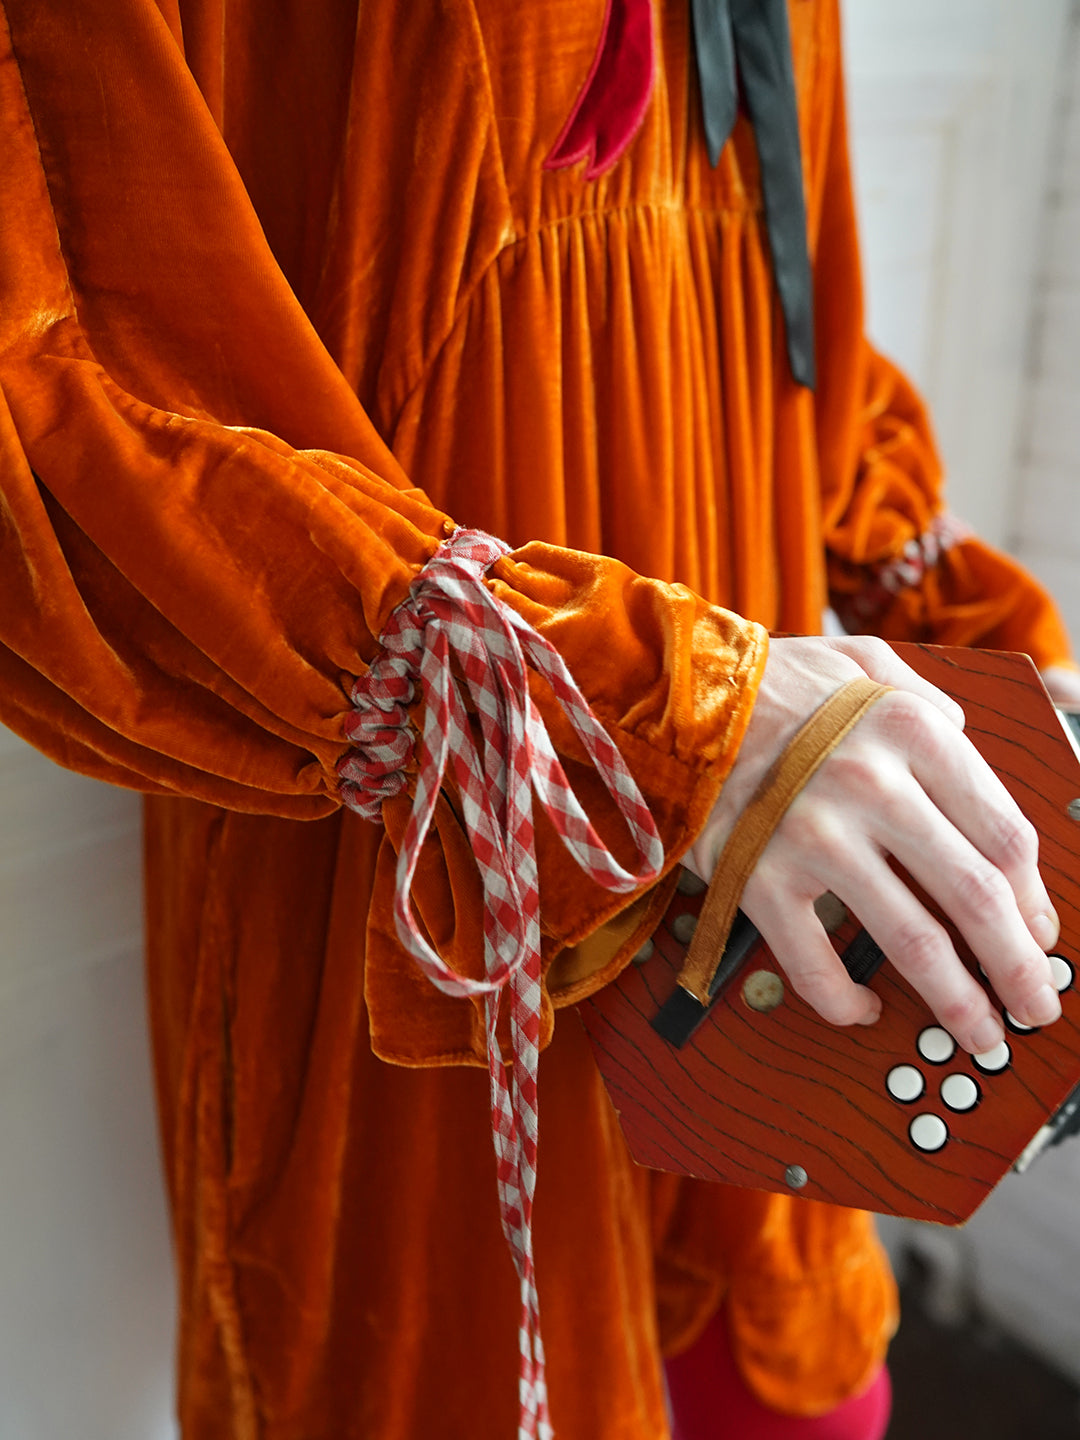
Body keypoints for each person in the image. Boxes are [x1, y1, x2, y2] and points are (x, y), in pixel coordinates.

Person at [0, 1, 1075, 1437]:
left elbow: (795, 339)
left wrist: (988, 664)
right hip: (429, 905)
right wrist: (659, 716)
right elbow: (59, 377)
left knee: (796, 1395)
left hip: (782, 898)